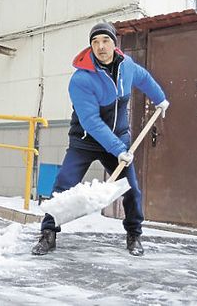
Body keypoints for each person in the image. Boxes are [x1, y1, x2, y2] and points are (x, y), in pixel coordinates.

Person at [32, 22, 169, 256]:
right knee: (63, 185)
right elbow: (91, 122)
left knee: (132, 190)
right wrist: (118, 149)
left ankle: (134, 235)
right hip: (85, 141)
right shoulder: (81, 79)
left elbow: (144, 78)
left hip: (118, 139)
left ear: (114, 44)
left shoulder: (127, 66)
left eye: (105, 41)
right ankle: (48, 233)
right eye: (95, 42)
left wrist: (160, 99)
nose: (100, 47)